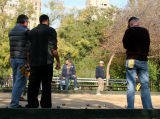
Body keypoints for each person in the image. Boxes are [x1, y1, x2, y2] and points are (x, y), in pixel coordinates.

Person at [26, 14, 60, 108]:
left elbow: (28, 51)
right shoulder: (51, 31)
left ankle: (32, 103)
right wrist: (58, 61)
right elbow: (54, 50)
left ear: (40, 21)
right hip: (47, 63)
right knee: (46, 85)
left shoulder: (31, 32)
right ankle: (45, 104)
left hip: (34, 63)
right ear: (47, 21)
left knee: (33, 84)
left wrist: (28, 62)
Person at [123, 17, 153, 109]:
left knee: (131, 86)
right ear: (138, 22)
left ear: (130, 24)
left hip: (131, 59)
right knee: (145, 86)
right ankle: (148, 109)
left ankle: (130, 109)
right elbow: (148, 44)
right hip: (143, 60)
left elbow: (125, 45)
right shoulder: (145, 31)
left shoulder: (128, 32)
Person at [9, 14, 29, 108]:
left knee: (16, 81)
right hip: (22, 60)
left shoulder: (11, 31)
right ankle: (14, 104)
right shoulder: (26, 31)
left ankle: (16, 99)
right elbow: (28, 47)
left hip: (13, 59)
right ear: (25, 22)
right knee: (20, 81)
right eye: (27, 22)